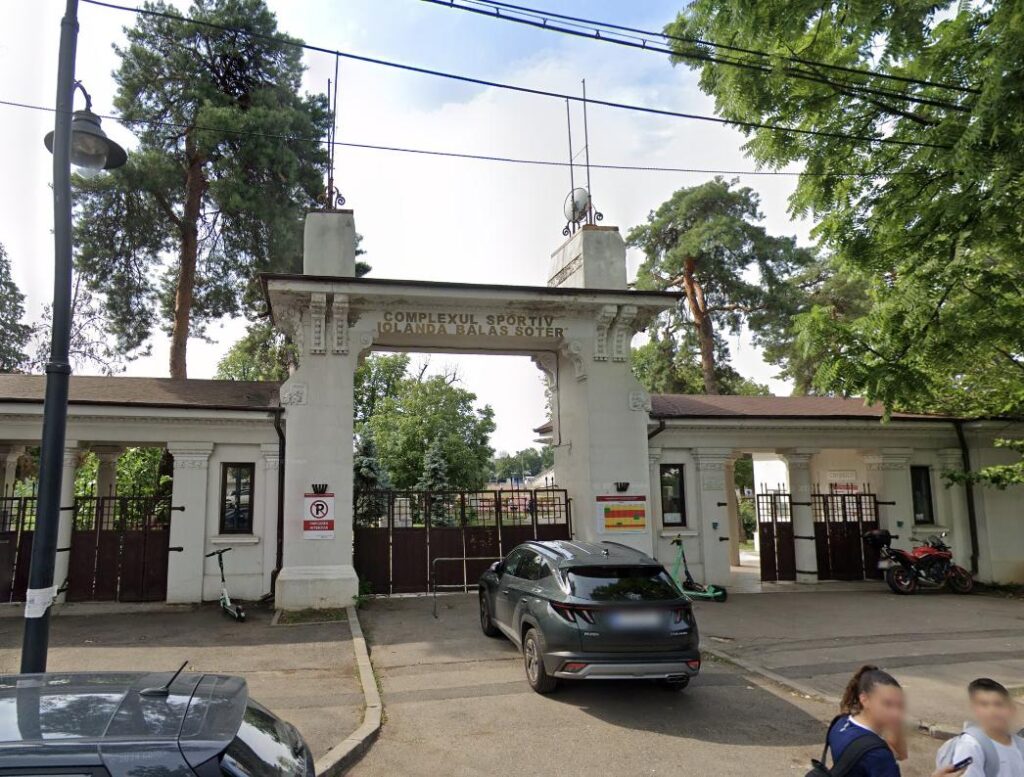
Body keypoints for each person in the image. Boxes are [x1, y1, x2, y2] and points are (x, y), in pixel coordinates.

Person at [825, 665, 965, 777]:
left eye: (900, 705)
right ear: (864, 699)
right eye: (887, 704)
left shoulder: (840, 722)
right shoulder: (878, 754)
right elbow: (896, 755)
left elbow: (899, 754)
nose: (896, 713)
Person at [946, 678, 1024, 777]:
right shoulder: (971, 746)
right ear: (974, 709)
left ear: (1010, 708)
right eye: (984, 705)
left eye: (999, 704)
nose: (992, 711)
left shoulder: (1019, 744)